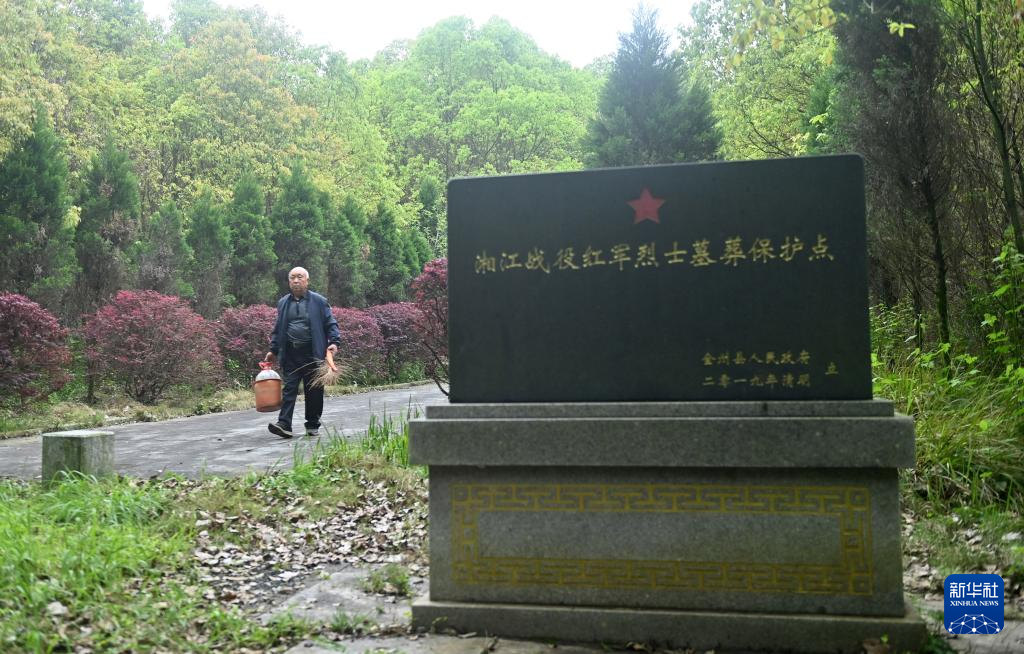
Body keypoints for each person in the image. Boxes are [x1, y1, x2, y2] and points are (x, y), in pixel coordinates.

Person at [265, 267, 340, 438]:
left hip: (313, 353)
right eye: (292, 278)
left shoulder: (319, 301)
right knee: (289, 389)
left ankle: (312, 425)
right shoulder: (283, 302)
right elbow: (278, 328)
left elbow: (330, 323)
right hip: (291, 353)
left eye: (299, 277)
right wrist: (273, 350)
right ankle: (284, 424)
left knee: (314, 391)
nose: (296, 281)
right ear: (289, 281)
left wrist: (334, 342)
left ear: (307, 280)